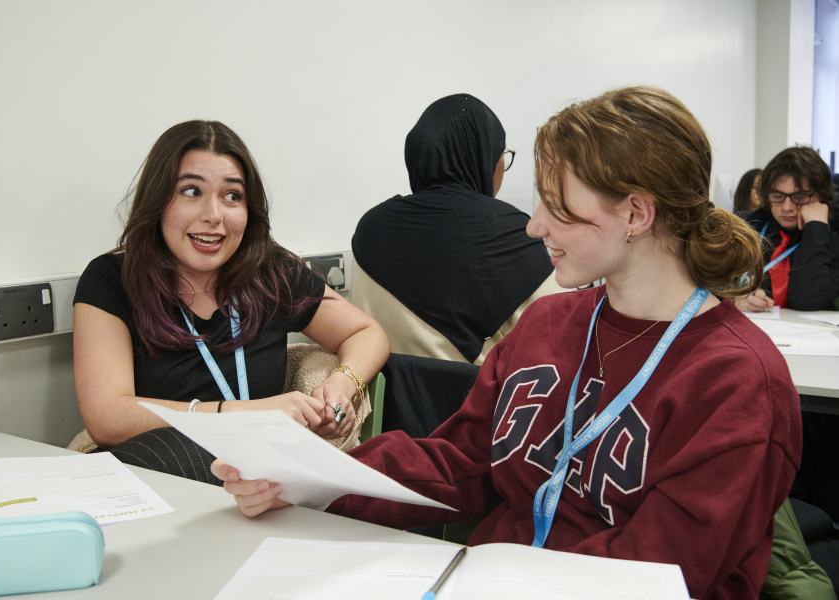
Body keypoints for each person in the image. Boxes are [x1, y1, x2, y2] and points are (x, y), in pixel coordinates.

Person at [213, 87, 803, 600]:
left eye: (557, 206)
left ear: (636, 214)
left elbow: (668, 570)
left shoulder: (737, 381)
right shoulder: (549, 323)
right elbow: (465, 463)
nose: (533, 225)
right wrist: (315, 478)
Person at [73, 120, 390, 483]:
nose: (213, 215)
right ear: (158, 200)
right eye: (191, 191)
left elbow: (367, 331)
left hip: (260, 489)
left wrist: (342, 385)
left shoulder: (270, 273)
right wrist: (246, 414)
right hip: (159, 481)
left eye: (232, 195)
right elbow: (107, 418)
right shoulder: (111, 279)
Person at [350, 94, 565, 365]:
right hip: (482, 405)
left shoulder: (369, 229)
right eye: (502, 155)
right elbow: (562, 336)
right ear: (481, 159)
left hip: (383, 404)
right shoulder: (513, 234)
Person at [735, 147, 839, 313]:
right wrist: (735, 298)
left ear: (822, 195)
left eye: (799, 197)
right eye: (777, 195)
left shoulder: (833, 237)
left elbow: (808, 301)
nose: (787, 207)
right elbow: (710, 285)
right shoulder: (748, 227)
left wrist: (815, 229)